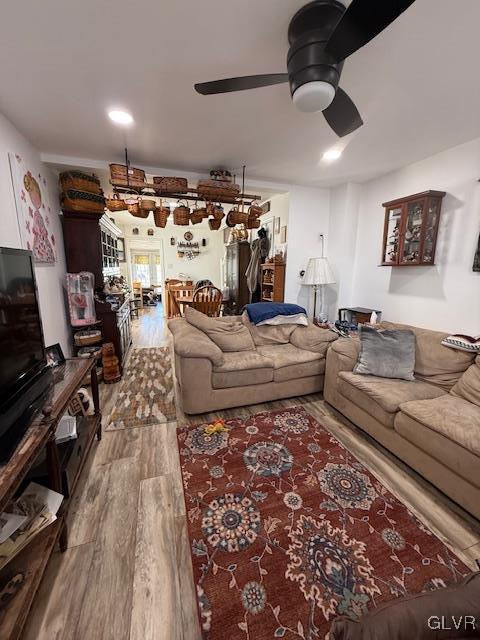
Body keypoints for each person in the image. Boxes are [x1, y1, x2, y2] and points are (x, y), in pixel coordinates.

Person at [246, 228, 269, 303]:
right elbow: (263, 254)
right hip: (258, 267)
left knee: (257, 289)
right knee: (257, 287)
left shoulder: (257, 244)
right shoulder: (261, 243)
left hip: (258, 268)